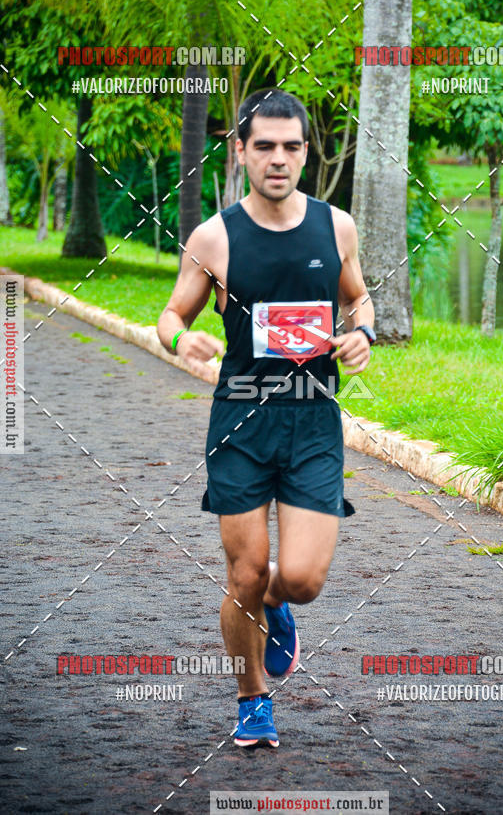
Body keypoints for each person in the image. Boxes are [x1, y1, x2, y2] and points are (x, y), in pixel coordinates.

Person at [157, 88, 376, 747]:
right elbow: (172, 315)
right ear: (242, 152)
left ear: (306, 152)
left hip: (313, 424)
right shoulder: (214, 237)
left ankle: (278, 609)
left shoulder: (336, 226)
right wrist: (178, 339)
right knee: (245, 573)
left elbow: (359, 298)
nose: (278, 159)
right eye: (265, 147)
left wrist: (363, 332)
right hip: (241, 426)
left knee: (301, 579)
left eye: (291, 147)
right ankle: (252, 699)